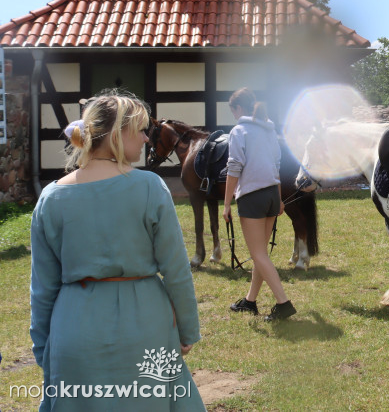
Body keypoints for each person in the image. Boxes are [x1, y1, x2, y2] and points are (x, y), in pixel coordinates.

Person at [30, 89, 204, 411]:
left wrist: (44, 346)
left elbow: (43, 287)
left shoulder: (50, 198)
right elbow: (176, 269)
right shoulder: (150, 187)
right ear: (116, 133)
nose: (146, 140)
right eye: (139, 130)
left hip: (74, 330)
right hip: (146, 327)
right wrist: (188, 329)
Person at [222, 87, 296, 321]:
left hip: (252, 197)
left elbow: (234, 168)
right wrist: (280, 198)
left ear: (239, 108)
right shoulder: (269, 130)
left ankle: (283, 304)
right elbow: (275, 166)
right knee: (260, 254)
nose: (233, 115)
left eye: (232, 110)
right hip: (272, 195)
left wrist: (225, 204)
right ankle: (250, 301)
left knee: (258, 255)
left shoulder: (239, 131)